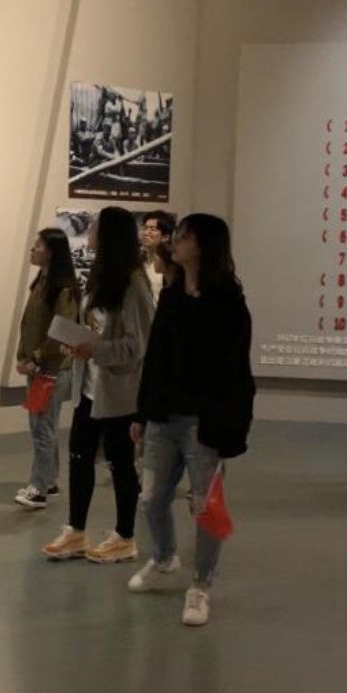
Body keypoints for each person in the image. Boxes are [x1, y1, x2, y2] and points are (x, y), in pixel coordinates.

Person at [130, 213, 255, 626]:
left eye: (183, 237)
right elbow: (155, 358)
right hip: (163, 416)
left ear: (204, 246)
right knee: (151, 498)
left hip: (204, 421)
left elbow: (236, 370)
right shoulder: (171, 295)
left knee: (205, 506)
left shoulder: (228, 302)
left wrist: (230, 429)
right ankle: (165, 556)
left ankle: (201, 584)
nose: (174, 242)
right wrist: (143, 412)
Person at [41, 207, 154, 564]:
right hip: (89, 386)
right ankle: (76, 530)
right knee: (79, 456)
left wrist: (95, 350)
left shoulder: (134, 284)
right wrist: (77, 344)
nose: (88, 233)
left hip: (119, 392)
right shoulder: (100, 276)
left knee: (121, 464)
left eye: (95, 228)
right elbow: (94, 325)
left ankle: (125, 536)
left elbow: (139, 346)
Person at [13, 228, 80, 509]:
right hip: (39, 368)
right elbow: (30, 324)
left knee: (42, 427)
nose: (33, 249)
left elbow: (62, 332)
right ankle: (49, 480)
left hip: (50, 369)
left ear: (52, 251)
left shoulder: (62, 289)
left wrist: (37, 358)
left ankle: (38, 488)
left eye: (38, 245)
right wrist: (24, 355)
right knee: (43, 426)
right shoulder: (42, 282)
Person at [139, 211, 176, 302]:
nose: (146, 232)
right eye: (145, 228)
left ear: (165, 237)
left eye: (152, 229)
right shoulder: (139, 263)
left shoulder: (169, 266)